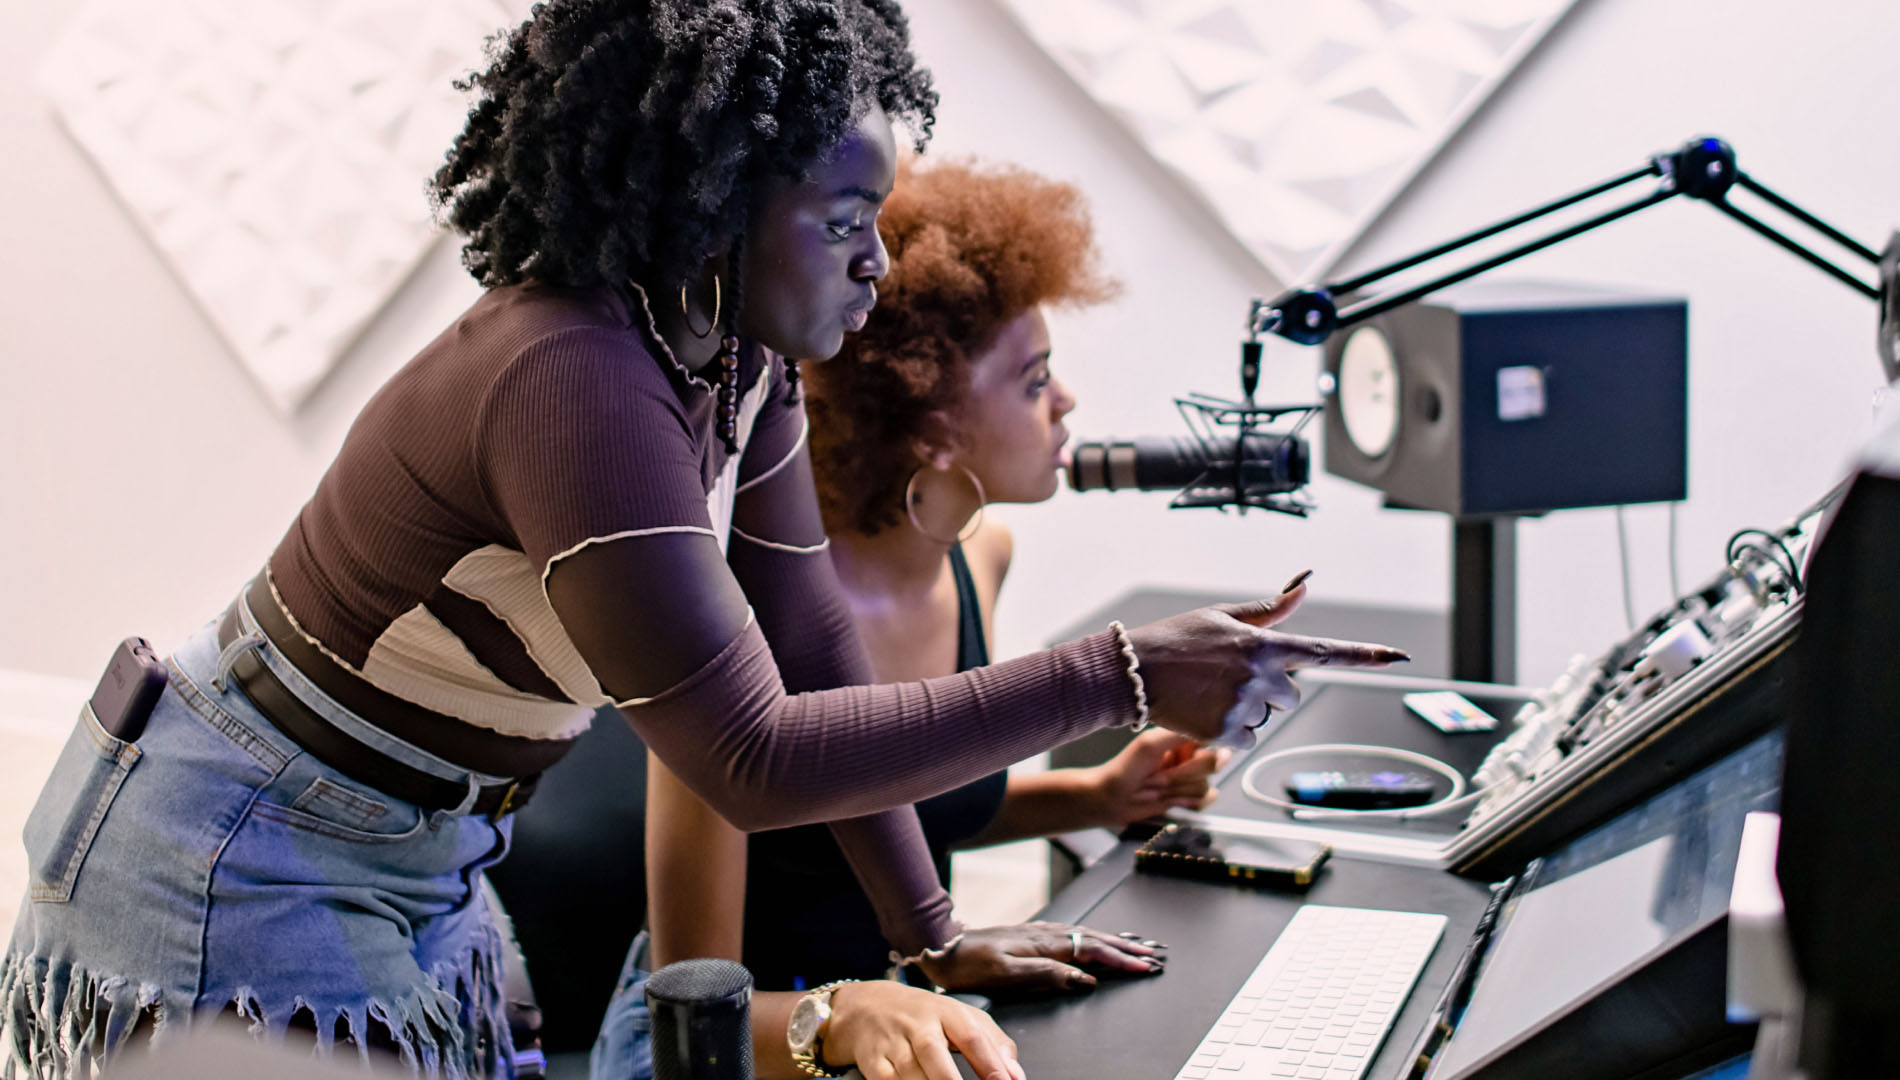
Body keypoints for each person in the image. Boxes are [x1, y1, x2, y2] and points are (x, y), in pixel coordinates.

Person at [1, 2, 1406, 1078]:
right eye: (848, 218)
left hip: (420, 849)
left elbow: (819, 671)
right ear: (719, 206)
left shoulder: (731, 362)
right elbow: (749, 756)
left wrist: (931, 932)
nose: (878, 256)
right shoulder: (578, 379)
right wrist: (1116, 676)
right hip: (244, 850)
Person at [596, 158, 1237, 1080]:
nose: (1067, 404)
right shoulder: (740, 626)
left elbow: (901, 795)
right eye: (1033, 379)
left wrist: (1095, 798)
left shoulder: (981, 558)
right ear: (931, 427)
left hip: (889, 1015)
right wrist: (844, 1010)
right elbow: (687, 1004)